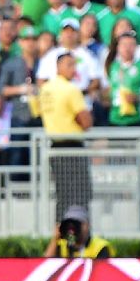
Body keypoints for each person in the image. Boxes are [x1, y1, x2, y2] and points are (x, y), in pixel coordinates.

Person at [39, 52, 94, 218]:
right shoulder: (71, 89)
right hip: (72, 145)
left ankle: (60, 234)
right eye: (69, 65)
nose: (73, 69)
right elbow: (86, 122)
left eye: (74, 65)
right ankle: (80, 233)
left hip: (54, 145)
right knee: (81, 193)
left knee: (62, 194)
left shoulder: (45, 89)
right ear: (58, 67)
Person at [44, 204, 114, 258]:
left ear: (87, 225)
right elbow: (46, 267)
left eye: (77, 224)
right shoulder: (61, 245)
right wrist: (55, 239)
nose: (72, 228)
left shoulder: (100, 247)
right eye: (69, 225)